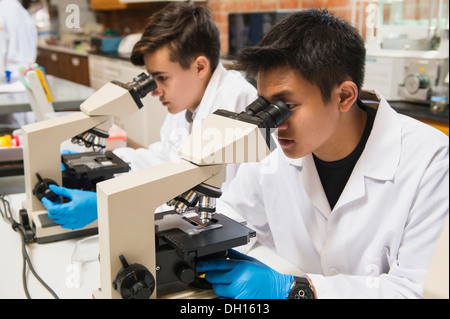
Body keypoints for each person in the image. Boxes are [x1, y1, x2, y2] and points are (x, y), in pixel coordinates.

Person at [197, 9, 449, 299]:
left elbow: (417, 290)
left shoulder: (431, 160)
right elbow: (233, 214)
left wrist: (299, 290)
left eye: (286, 106)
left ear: (344, 96)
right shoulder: (275, 151)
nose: (275, 122)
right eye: (265, 105)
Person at [41, 2, 257, 230]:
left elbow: (225, 206)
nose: (154, 91)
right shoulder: (189, 100)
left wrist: (111, 206)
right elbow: (164, 158)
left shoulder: (237, 102)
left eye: (162, 78)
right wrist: (103, 165)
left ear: (200, 67)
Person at [0, 0, 37, 127]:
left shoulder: (7, 9)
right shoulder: (16, 10)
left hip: (12, 82)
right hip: (16, 79)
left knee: (15, 129)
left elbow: (3, 49)